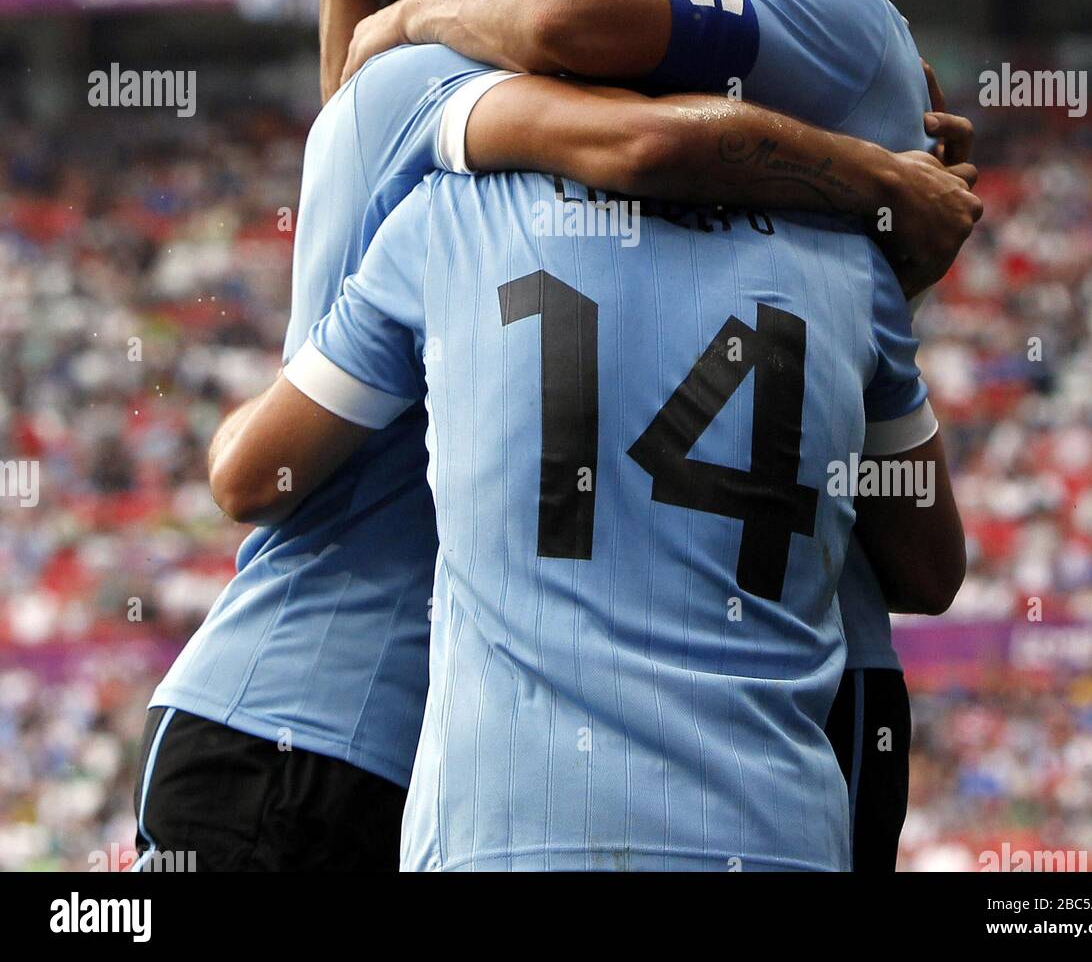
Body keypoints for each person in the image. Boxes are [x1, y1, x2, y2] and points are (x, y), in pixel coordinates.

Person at [134, 0, 977, 871]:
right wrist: (873, 181)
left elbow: (373, 99)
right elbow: (637, 142)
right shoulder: (458, 126)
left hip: (395, 749)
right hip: (308, 728)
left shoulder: (421, 156)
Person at [341, 0, 967, 870]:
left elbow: (576, 16)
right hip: (740, 700)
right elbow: (369, 168)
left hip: (793, 699)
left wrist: (406, 19)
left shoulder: (830, 4)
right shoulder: (687, 101)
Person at [208, 159, 965, 871]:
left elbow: (251, 480)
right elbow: (929, 571)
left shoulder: (452, 214)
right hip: (775, 823)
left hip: (508, 828)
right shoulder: (851, 264)